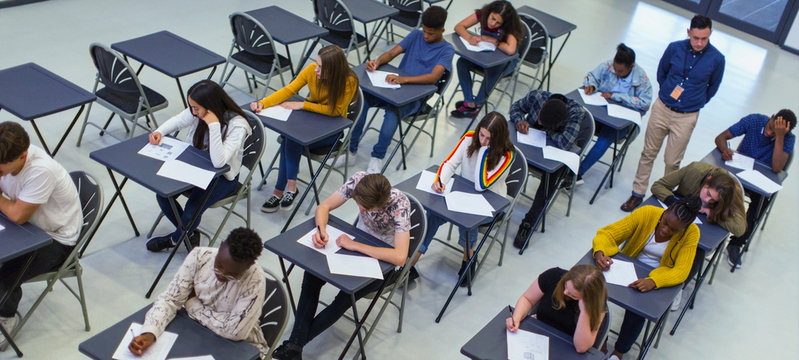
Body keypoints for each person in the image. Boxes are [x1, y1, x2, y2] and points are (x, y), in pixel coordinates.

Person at [272, 172, 411, 360]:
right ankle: (295, 347)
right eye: (358, 204)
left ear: (380, 205)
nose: (360, 210)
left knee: (344, 299)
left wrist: (355, 246)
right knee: (311, 276)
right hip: (352, 245)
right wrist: (321, 229)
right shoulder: (360, 181)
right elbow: (324, 207)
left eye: (366, 208)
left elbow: (400, 257)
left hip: (381, 262)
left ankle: (294, 345)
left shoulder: (399, 205)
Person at [621, 15, 725, 212]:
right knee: (648, 153)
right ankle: (637, 193)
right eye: (695, 38)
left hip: (686, 117)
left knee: (672, 162)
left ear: (710, 34)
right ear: (688, 32)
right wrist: (668, 92)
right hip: (662, 108)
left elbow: (713, 87)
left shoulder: (717, 59)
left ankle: (663, 197)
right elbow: (662, 73)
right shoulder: (674, 48)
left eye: (704, 38)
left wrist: (695, 101)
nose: (699, 43)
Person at [342, 6, 454, 174]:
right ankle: (351, 150)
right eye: (424, 31)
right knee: (361, 100)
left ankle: (377, 156)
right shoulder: (416, 35)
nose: (426, 36)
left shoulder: (447, 50)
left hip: (416, 97)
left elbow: (433, 77)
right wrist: (376, 62)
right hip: (394, 88)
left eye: (430, 33)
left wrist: (404, 79)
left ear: (442, 30)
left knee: (393, 113)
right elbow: (391, 53)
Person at [0, 121, 82, 347]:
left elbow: (17, 215)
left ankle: (5, 318)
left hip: (53, 239)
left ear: (22, 156)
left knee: (3, 275)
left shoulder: (41, 170)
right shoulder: (6, 156)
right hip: (26, 228)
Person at [411, 112, 515, 286]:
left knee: (467, 221)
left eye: (489, 139)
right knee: (433, 215)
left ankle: (469, 259)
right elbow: (450, 163)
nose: (483, 141)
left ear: (498, 139)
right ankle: (410, 263)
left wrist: (483, 152)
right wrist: (440, 180)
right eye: (481, 135)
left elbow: (481, 185)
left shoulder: (507, 156)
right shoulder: (469, 139)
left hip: (490, 205)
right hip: (462, 196)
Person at [251, 45, 358, 213]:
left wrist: (303, 105)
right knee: (290, 138)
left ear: (333, 70)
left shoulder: (348, 81)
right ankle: (289, 189)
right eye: (317, 64)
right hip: (310, 122)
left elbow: (335, 111)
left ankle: (280, 191)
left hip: (331, 131)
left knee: (291, 140)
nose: (316, 69)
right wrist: (263, 103)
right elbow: (289, 90)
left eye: (321, 67)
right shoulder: (311, 70)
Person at [128, 228, 268, 356]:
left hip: (241, 348)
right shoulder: (199, 257)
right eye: (219, 265)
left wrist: (192, 303)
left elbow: (235, 331)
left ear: (248, 267)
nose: (221, 274)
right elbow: (170, 299)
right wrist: (150, 332)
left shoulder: (255, 280)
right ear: (220, 246)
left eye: (232, 275)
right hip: (198, 331)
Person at [147, 80, 252, 252]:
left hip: (222, 177)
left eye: (196, 108)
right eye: (191, 108)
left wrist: (213, 125)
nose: (193, 112)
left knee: (191, 211)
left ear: (210, 106)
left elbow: (219, 162)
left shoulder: (237, 125)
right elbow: (179, 120)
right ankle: (188, 233)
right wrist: (159, 131)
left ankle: (174, 239)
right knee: (163, 195)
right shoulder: (197, 111)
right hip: (195, 166)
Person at [592, 198, 700, 360]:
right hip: (628, 266)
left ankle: (619, 352)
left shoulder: (691, 233)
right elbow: (609, 233)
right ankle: (601, 342)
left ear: (683, 228)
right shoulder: (647, 213)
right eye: (664, 223)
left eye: (673, 230)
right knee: (595, 293)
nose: (664, 230)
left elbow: (681, 270)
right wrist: (600, 251)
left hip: (657, 275)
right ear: (665, 211)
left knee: (638, 310)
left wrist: (654, 281)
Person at [714, 109, 795, 269]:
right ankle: (711, 227)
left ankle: (735, 244)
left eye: (776, 132)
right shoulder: (754, 120)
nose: (769, 133)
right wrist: (725, 151)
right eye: (770, 127)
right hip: (739, 172)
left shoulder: (788, 138)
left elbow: (777, 168)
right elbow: (720, 138)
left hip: (761, 182)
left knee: (761, 204)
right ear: (771, 117)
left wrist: (779, 137)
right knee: (716, 185)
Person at [510, 90, 587, 249]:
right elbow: (515, 108)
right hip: (529, 147)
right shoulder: (536, 97)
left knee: (551, 178)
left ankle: (529, 222)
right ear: (543, 105)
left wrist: (546, 130)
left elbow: (565, 143)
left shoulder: (575, 112)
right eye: (539, 117)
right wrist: (519, 121)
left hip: (552, 157)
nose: (538, 121)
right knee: (505, 156)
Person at [579, 43, 652, 181]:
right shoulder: (608, 66)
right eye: (615, 69)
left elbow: (645, 103)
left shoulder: (641, 79)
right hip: (600, 113)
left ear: (631, 66)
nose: (616, 73)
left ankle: (577, 173)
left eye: (621, 71)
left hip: (621, 124)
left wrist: (616, 96)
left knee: (605, 138)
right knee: (579, 124)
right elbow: (591, 76)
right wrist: (591, 85)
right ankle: (567, 165)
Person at [507, 265, 608, 353]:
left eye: (573, 295)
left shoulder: (597, 305)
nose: (565, 292)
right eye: (565, 285)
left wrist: (585, 311)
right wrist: (516, 318)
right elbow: (528, 299)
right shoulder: (554, 275)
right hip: (538, 338)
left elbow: (581, 347)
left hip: (566, 349)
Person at [450, 0, 523, 118]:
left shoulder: (510, 26)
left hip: (505, 63)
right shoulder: (482, 14)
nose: (493, 24)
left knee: (493, 70)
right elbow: (459, 26)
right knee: (462, 63)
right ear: (489, 12)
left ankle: (478, 104)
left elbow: (510, 50)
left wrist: (492, 40)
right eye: (492, 18)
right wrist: (469, 38)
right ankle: (469, 102)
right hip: (484, 56)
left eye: (498, 23)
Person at [651, 161, 746, 236]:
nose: (707, 200)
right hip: (675, 216)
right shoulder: (694, 170)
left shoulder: (730, 192)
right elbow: (658, 185)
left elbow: (740, 229)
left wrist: (711, 213)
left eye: (713, 200)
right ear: (707, 180)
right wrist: (675, 203)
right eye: (708, 194)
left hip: (701, 230)